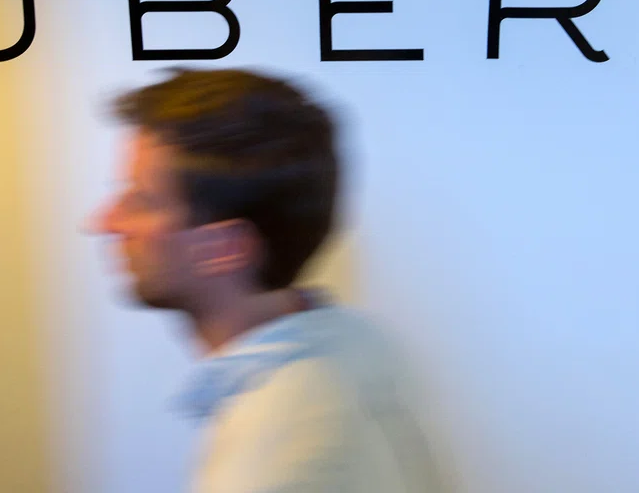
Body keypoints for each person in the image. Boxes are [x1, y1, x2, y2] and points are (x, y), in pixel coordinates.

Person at [87, 66, 450, 492]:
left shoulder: (268, 467)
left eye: (140, 201)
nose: (104, 222)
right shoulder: (358, 345)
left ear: (224, 248)